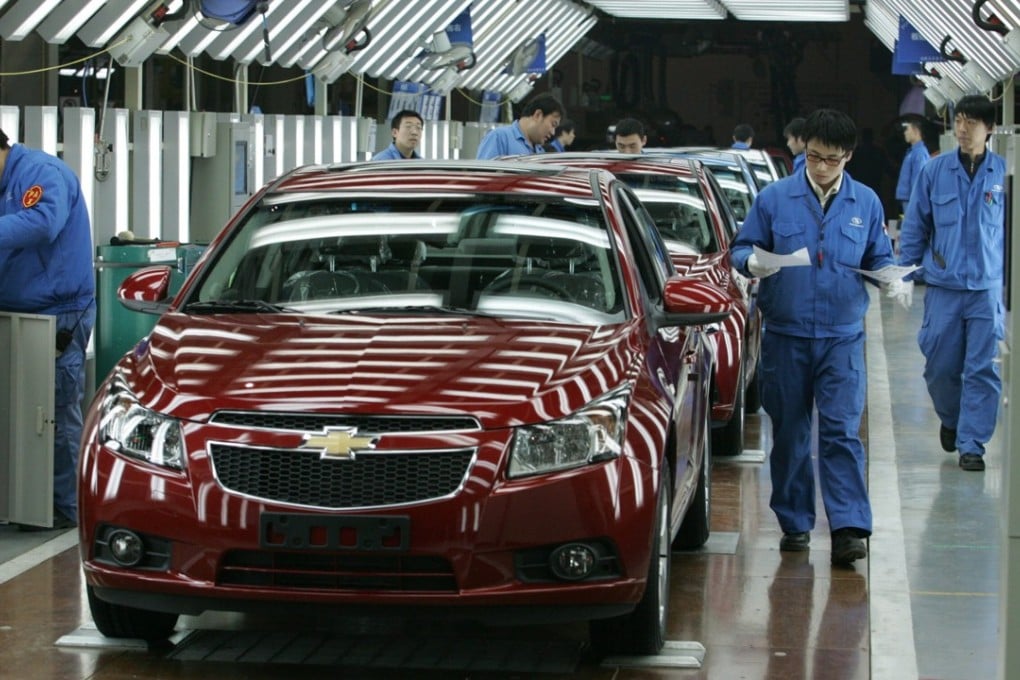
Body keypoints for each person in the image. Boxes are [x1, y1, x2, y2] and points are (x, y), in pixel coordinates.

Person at [729, 108, 898, 566]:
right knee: (790, 432)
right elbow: (740, 248)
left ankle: (848, 528)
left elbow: (879, 256)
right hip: (787, 335)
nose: (821, 167)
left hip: (842, 338)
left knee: (842, 431)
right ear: (804, 150)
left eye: (831, 159)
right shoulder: (774, 198)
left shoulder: (866, 203)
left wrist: (890, 277)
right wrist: (751, 262)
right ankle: (795, 521)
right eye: (814, 157)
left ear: (848, 157)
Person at [896, 94, 1006, 473]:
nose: (962, 128)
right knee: (939, 367)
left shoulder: (1005, 174)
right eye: (958, 120)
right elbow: (915, 226)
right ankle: (953, 418)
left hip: (987, 289)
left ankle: (972, 444)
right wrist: (905, 275)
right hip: (944, 286)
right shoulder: (934, 172)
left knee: (982, 369)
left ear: (989, 129)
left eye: (971, 122)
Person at [0, 128, 95, 530]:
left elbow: (42, 223)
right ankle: (21, 503)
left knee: (54, 411)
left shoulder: (41, 172)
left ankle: (66, 506)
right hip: (15, 314)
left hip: (58, 315)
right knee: (17, 413)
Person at [476, 93, 563, 159]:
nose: (553, 132)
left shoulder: (540, 152)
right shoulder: (500, 137)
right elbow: (483, 174)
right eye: (553, 124)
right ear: (538, 115)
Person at [895, 114, 930, 213]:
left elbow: (918, 180)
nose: (905, 133)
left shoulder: (919, 153)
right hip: (908, 199)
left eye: (907, 129)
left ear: (916, 131)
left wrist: (916, 201)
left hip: (913, 200)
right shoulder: (913, 152)